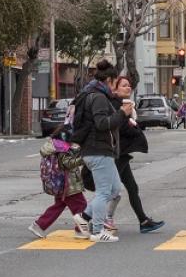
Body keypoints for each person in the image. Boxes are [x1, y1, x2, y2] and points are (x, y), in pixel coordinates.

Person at [71, 60, 131, 243]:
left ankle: (83, 218)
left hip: (100, 150)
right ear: (109, 81)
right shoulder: (98, 97)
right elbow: (102, 124)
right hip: (97, 150)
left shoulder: (95, 94)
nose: (116, 86)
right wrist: (122, 113)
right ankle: (97, 231)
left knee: (115, 189)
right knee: (104, 192)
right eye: (115, 82)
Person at [109, 75, 165, 234]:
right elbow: (119, 127)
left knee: (132, 188)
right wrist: (133, 127)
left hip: (123, 154)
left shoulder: (126, 106)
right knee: (110, 190)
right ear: (115, 88)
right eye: (124, 85)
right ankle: (91, 219)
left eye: (129, 85)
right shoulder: (116, 105)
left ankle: (143, 221)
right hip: (116, 154)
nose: (128, 88)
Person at [29, 125, 88, 239]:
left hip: (60, 183)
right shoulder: (61, 148)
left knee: (58, 206)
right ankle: (80, 230)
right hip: (68, 184)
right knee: (81, 206)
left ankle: (39, 225)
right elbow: (66, 163)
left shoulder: (56, 145)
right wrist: (82, 160)